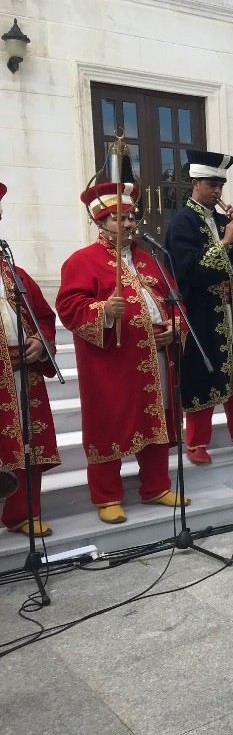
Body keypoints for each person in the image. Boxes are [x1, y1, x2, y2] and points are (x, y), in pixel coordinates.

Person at [57, 182, 187, 524]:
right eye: (118, 218)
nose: (128, 224)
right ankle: (107, 495)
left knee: (157, 417)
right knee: (109, 423)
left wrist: (176, 328)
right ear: (100, 223)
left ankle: (156, 486)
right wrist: (103, 310)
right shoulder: (81, 261)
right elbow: (69, 308)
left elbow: (174, 301)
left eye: (130, 217)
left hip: (157, 358)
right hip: (111, 363)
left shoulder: (149, 259)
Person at [165, 150, 233, 465]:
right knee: (202, 371)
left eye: (221, 185)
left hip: (232, 306)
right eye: (212, 184)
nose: (218, 191)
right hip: (201, 309)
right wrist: (225, 240)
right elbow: (188, 269)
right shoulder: (181, 222)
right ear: (196, 182)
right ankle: (196, 442)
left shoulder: (224, 219)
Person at [0, 182, 60, 536]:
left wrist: (41, 342)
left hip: (23, 375)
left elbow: (44, 316)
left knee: (25, 442)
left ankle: (23, 513)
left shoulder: (15, 274)